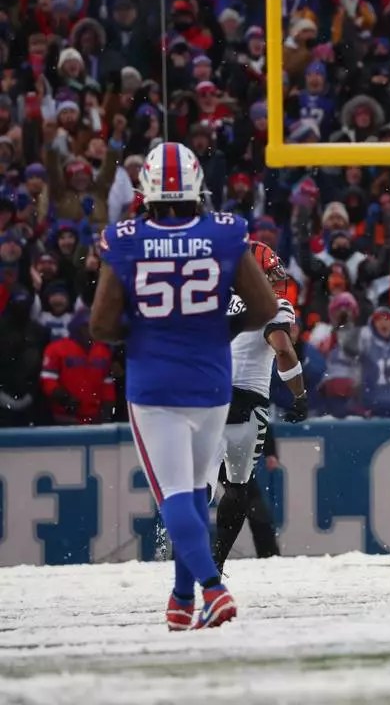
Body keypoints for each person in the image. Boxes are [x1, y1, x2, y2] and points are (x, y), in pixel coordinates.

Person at [89, 142, 277, 630]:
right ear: (197, 188)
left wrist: (147, 329)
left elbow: (101, 324)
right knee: (194, 490)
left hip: (156, 381)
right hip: (212, 378)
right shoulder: (224, 232)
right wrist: (216, 328)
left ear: (147, 190)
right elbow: (263, 308)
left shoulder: (126, 238)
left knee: (174, 493)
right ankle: (181, 596)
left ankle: (213, 589)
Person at [210, 242, 307, 572]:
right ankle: (215, 563)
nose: (277, 282)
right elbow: (283, 349)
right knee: (238, 489)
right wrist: (300, 395)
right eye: (271, 275)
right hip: (246, 403)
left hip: (208, 399)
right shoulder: (274, 306)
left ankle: (185, 554)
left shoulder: (214, 299)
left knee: (199, 486)